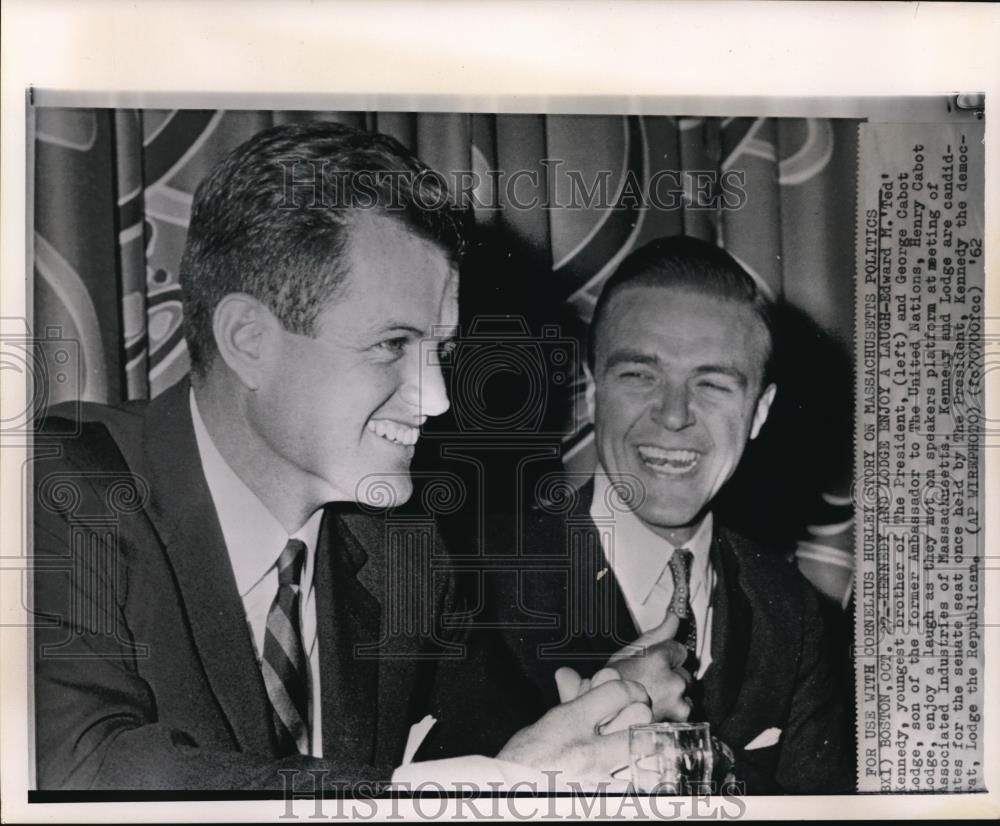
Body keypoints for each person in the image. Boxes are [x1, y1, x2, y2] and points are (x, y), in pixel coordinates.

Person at [30, 121, 651, 791]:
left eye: (440, 353)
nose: (438, 400)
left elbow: (495, 744)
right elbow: (81, 769)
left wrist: (600, 716)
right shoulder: (59, 491)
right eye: (391, 345)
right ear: (249, 340)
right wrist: (433, 795)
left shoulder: (397, 540)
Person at [478, 236, 854, 793]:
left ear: (760, 412)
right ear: (592, 387)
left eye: (713, 383)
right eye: (640, 375)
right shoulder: (472, 582)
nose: (674, 416)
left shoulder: (795, 617)